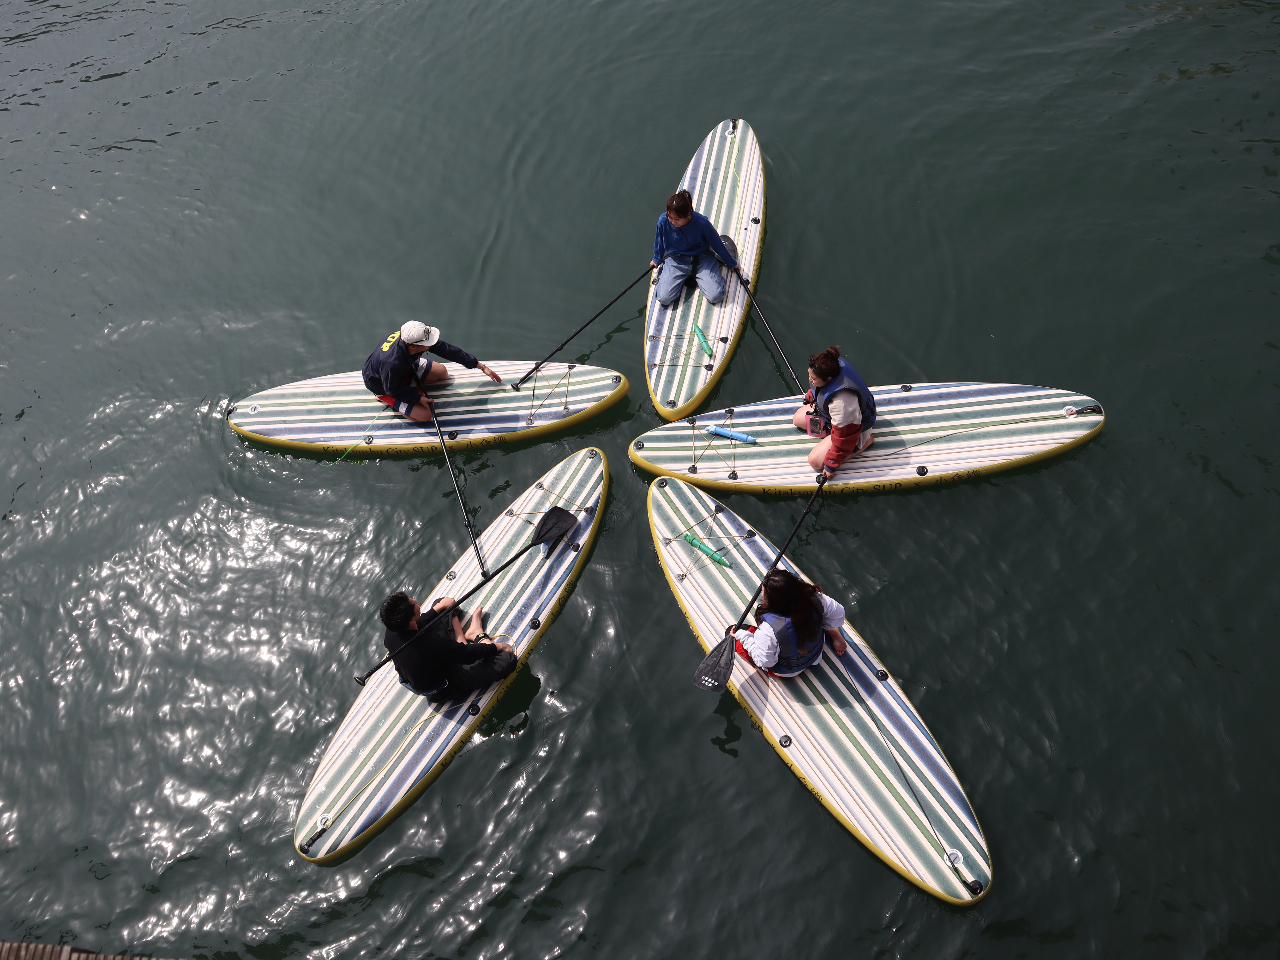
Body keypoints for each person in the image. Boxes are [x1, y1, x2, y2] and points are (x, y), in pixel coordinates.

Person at [378, 591, 517, 703]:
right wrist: (498, 647)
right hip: (445, 686)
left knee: (441, 604)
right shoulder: (429, 644)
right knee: (507, 659)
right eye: (411, 602)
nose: (414, 600)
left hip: (431, 663)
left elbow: (419, 624)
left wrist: (439, 607)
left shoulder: (392, 630)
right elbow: (467, 655)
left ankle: (464, 637)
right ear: (410, 620)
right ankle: (478, 635)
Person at [361, 321, 502, 422]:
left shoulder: (412, 338)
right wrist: (417, 398)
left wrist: (480, 366)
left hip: (403, 368)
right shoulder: (392, 363)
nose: (432, 343)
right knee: (425, 415)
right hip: (384, 385)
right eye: (427, 343)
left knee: (442, 372)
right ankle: (382, 397)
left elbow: (447, 350)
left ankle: (409, 386)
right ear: (413, 347)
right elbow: (392, 389)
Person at [729, 570, 848, 677]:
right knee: (821, 617)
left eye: (763, 591)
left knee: (734, 633)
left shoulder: (768, 629)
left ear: (773, 599)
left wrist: (743, 636)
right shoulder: (817, 598)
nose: (761, 592)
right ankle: (832, 631)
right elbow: (839, 613)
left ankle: (740, 637)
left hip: (791, 670)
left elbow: (765, 661)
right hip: (816, 654)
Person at [793, 346, 877, 478]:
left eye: (813, 378)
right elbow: (821, 390)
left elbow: (845, 438)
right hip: (837, 420)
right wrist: (811, 395)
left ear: (828, 379)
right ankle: (829, 433)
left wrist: (831, 465)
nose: (810, 380)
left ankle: (865, 443)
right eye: (809, 375)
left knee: (815, 462)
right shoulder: (831, 365)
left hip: (853, 430)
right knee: (797, 418)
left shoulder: (842, 403)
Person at [650, 189, 740, 307]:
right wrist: (657, 259)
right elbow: (659, 240)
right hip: (676, 260)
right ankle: (667, 273)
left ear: (688, 214)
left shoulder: (702, 223)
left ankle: (714, 275)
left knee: (716, 296)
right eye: (670, 217)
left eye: (677, 219)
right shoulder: (663, 220)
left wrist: (731, 263)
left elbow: (716, 243)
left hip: (702, 259)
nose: (672, 222)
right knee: (663, 298)